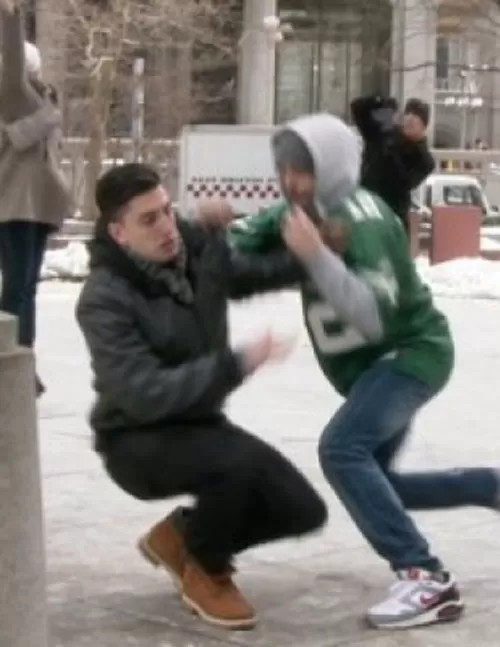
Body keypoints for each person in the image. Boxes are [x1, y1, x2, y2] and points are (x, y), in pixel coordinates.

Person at [224, 113, 500, 630]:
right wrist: (206, 233)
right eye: (284, 171)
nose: (290, 182)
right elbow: (239, 241)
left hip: (410, 355)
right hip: (379, 366)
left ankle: (425, 576)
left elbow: (370, 316)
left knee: (342, 450)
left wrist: (316, 256)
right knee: (377, 483)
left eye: (302, 171)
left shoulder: (364, 219)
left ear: (329, 168)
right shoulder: (299, 210)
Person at [74, 163, 327, 631]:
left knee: (302, 509)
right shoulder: (104, 298)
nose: (167, 227)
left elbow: (250, 274)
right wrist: (233, 365)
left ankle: (182, 537)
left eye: (167, 211)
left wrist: (309, 253)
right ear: (119, 232)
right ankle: (207, 570)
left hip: (199, 423)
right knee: (234, 466)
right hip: (135, 438)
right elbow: (142, 393)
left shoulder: (195, 252)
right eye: (149, 219)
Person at [0, 0, 73, 396]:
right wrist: (10, 16)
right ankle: (14, 361)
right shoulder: (16, 95)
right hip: (15, 205)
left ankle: (23, 359)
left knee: (26, 288)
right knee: (18, 288)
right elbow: (12, 64)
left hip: (38, 206)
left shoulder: (43, 102)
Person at [352, 94, 435, 232]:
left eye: (416, 116)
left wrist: (392, 150)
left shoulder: (424, 160)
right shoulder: (384, 134)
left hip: (393, 219)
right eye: (408, 113)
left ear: (424, 126)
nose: (410, 118)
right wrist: (379, 102)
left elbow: (403, 182)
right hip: (365, 209)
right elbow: (358, 109)